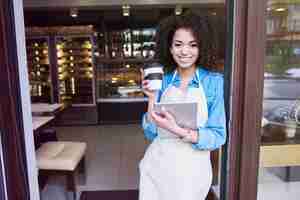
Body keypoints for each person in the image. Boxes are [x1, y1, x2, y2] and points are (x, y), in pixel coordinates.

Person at [139, 11, 226, 200]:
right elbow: (150, 133)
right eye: (178, 44)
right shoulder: (163, 79)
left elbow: (218, 136)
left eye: (192, 45)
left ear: (201, 48)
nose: (184, 51)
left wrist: (178, 130)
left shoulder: (213, 82)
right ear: (170, 48)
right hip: (158, 166)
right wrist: (152, 98)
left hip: (192, 171)